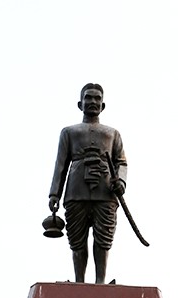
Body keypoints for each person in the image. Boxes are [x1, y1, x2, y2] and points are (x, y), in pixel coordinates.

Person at [49, 83, 128, 284]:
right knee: (77, 238)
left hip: (105, 189)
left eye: (96, 99)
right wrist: (54, 194)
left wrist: (121, 181)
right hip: (76, 189)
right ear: (80, 103)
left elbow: (121, 161)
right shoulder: (69, 132)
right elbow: (60, 164)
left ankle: (100, 280)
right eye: (88, 98)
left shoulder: (112, 134)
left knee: (103, 236)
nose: (92, 102)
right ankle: (79, 281)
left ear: (103, 105)